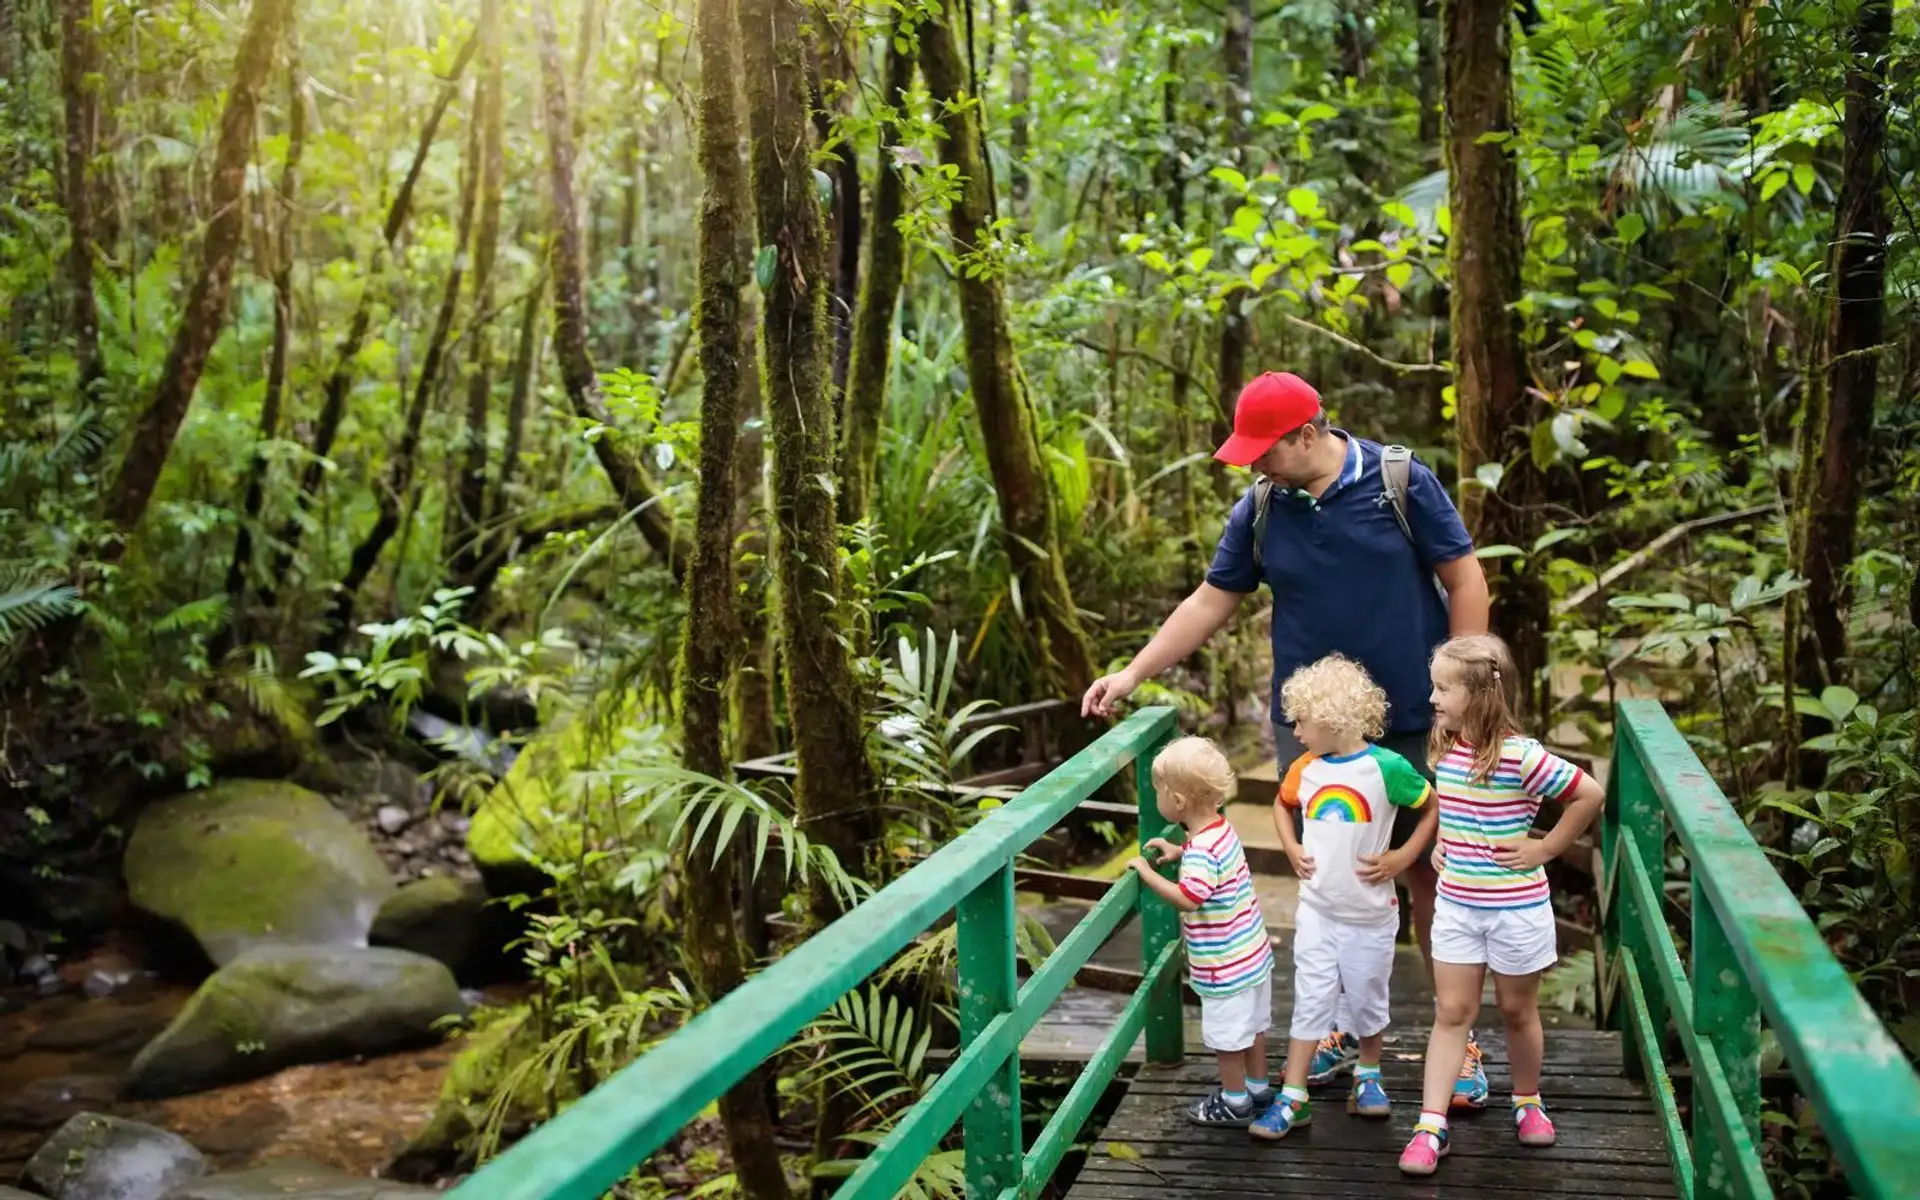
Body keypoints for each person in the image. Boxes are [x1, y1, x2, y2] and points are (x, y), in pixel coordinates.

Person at [1083, 369, 1496, 1104]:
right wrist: (1133, 672)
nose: (1254, 465)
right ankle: (1336, 1030)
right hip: (1316, 733)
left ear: (1309, 435)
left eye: (1264, 450)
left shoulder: (1401, 482)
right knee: (1329, 872)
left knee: (1432, 874)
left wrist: (1462, 698)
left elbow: (1465, 580)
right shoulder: (1262, 508)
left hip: (1413, 717)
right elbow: (1213, 597)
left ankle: (1457, 1040)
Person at [1397, 634, 1604, 1177]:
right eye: (1434, 686)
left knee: (1517, 1011)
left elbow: (1590, 795)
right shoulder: (1444, 745)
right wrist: (1446, 842)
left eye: (1444, 688)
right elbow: (1458, 804)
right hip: (1458, 907)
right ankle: (1429, 1125)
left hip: (1516, 908)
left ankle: (1527, 1100)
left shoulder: (1522, 755)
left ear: (1481, 694)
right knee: (1451, 1013)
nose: (1433, 697)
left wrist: (1546, 848)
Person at [1250, 655, 1439, 1140]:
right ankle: (1293, 1095)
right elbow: (1281, 802)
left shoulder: (1387, 768)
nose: (1294, 729)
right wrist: (1291, 846)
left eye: (1301, 720)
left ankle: (1368, 1076)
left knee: (1368, 996)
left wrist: (1404, 856)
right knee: (1310, 998)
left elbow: (1431, 804)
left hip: (1371, 914)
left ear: (1332, 719)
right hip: (1316, 910)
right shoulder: (1304, 769)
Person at [1129, 736, 1276, 1126]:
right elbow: (1212, 869)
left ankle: (1235, 1101)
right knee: (1254, 1027)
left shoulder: (1200, 851)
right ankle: (1259, 1089)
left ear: (1177, 802)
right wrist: (1180, 853)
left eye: (1158, 789)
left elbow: (1189, 897)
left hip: (1224, 965)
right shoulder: (1220, 831)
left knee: (1229, 1039)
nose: (1155, 795)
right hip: (1252, 955)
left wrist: (1147, 874)